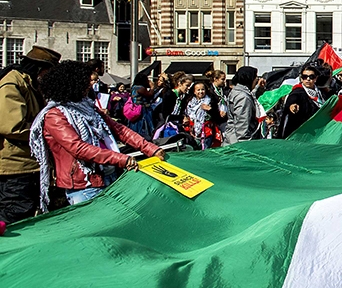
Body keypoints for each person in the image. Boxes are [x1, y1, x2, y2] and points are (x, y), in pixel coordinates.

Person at [29, 60, 165, 210]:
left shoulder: (88, 107)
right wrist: (121, 159)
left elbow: (118, 129)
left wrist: (151, 149)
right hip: (84, 184)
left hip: (109, 175)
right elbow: (78, 148)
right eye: (85, 82)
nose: (90, 85)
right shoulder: (54, 115)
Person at [0, 46, 60, 224]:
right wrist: (48, 132)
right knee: (13, 214)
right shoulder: (12, 83)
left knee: (21, 213)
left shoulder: (30, 83)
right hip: (15, 165)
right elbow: (12, 126)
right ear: (40, 69)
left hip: (26, 163)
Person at [281, 66, 325, 138]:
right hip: (301, 133)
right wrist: (292, 106)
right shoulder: (298, 91)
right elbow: (292, 101)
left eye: (311, 77)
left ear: (316, 79)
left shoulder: (321, 93)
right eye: (305, 76)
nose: (308, 79)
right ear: (301, 78)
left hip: (317, 131)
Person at [224, 66, 263, 146]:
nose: (257, 79)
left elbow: (250, 94)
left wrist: (257, 87)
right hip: (237, 143)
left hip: (232, 138)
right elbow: (242, 124)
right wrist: (245, 146)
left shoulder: (237, 91)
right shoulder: (243, 97)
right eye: (256, 77)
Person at [181, 81, 224, 150]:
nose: (201, 92)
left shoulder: (211, 101)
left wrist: (209, 109)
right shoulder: (188, 102)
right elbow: (184, 113)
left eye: (202, 89)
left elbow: (218, 117)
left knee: (206, 150)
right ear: (194, 91)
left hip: (207, 131)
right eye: (198, 90)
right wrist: (184, 118)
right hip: (192, 131)